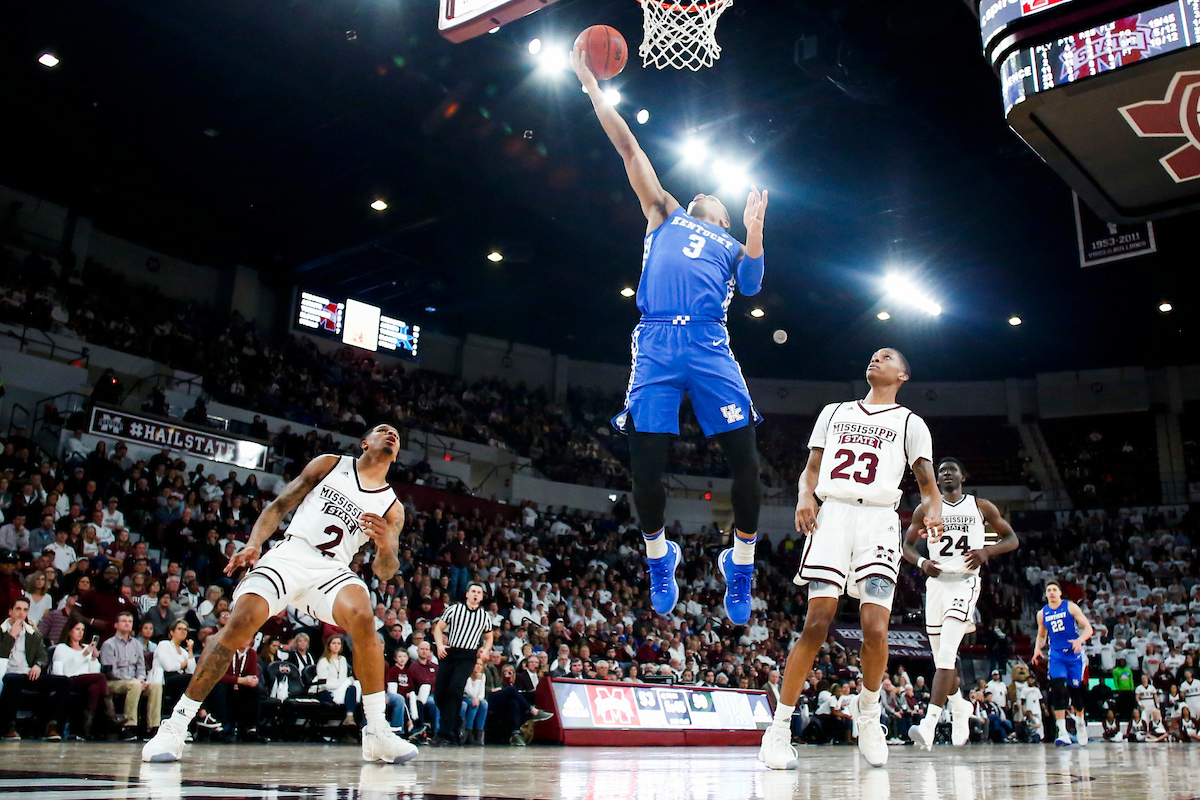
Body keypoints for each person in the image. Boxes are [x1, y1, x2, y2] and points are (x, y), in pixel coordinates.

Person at [569, 48, 769, 626]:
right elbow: (628, 146)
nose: (708, 191)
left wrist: (755, 232)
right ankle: (660, 557)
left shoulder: (733, 246)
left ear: (726, 220)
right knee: (646, 470)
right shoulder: (664, 212)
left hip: (709, 345)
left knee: (747, 467)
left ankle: (743, 562)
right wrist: (589, 83)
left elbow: (752, 286)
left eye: (721, 201)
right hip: (655, 344)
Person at [142, 424, 416, 763]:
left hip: (332, 569)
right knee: (240, 623)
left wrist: (383, 545)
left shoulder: (392, 507)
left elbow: (385, 571)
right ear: (364, 443)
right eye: (383, 430)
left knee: (364, 619)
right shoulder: (330, 464)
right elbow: (279, 505)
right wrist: (253, 544)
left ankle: (376, 731)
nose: (391, 434)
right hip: (291, 553)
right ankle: (175, 726)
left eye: (397, 435)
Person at [759, 348, 942, 770]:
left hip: (879, 520)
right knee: (816, 622)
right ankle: (780, 729)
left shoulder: (911, 422)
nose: (876, 359)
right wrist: (806, 495)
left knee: (876, 628)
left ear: (903, 376)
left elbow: (928, 486)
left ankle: (871, 714)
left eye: (887, 357)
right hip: (835, 514)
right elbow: (812, 468)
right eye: (873, 356)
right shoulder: (834, 411)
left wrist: (932, 510)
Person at [903, 457, 1019, 750]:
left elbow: (1012, 539)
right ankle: (959, 706)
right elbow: (905, 546)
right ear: (937, 479)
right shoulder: (926, 508)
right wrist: (921, 561)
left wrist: (987, 552)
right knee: (942, 660)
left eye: (952, 470)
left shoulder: (981, 506)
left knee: (945, 658)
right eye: (941, 472)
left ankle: (928, 725)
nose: (946, 475)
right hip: (936, 586)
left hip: (965, 582)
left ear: (962, 476)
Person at [431, 582, 495, 745]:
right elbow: (438, 628)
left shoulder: (484, 616)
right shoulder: (454, 610)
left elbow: (489, 637)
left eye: (478, 592)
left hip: (468, 655)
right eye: (473, 591)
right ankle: (457, 722)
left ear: (481, 597)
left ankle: (444, 734)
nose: (475, 594)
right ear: (467, 594)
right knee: (439, 694)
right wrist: (439, 645)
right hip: (450, 652)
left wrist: (485, 650)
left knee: (455, 689)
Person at [1033, 578, 1094, 746]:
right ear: (1046, 594)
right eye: (1049, 590)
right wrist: (1037, 649)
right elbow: (1041, 635)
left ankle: (1081, 724)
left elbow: (1088, 628)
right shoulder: (1042, 613)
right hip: (1057, 655)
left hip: (1074, 655)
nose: (1051, 592)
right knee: (1059, 689)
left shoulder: (1070, 607)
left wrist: (1079, 640)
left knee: (1075, 692)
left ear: (1060, 593)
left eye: (1054, 589)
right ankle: (1062, 732)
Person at [0, 597, 72, 740]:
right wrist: (11, 636)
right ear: (10, 612)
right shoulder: (1, 632)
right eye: (18, 609)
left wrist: (37, 666)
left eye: (25, 610)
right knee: (14, 680)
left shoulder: (33, 633)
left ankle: (52, 725)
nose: (21, 613)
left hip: (27, 673)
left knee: (64, 682)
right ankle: (9, 727)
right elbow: (1, 654)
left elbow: (42, 655)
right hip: (7, 673)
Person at [100, 610, 165, 740]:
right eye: (124, 621)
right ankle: (129, 726)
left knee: (156, 686)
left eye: (130, 621)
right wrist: (133, 680)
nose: (127, 624)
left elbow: (141, 666)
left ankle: (153, 727)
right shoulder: (109, 644)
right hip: (115, 682)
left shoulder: (136, 644)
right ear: (116, 625)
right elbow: (110, 671)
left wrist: (141, 679)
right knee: (134, 685)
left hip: (134, 681)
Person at [51, 620, 113, 738]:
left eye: (82, 630)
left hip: (86, 680)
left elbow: (94, 672)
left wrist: (94, 659)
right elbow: (62, 671)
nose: (80, 632)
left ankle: (84, 729)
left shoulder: (86, 647)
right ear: (69, 631)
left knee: (95, 688)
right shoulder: (61, 648)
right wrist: (84, 656)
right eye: (77, 629)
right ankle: (110, 714)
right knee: (101, 677)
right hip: (69, 680)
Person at [316, 634, 358, 730]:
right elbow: (324, 683)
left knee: (352, 688)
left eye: (338, 643)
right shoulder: (323, 661)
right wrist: (343, 683)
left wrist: (344, 683)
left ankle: (349, 717)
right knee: (347, 684)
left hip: (341, 690)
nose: (336, 646)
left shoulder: (343, 660)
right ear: (329, 645)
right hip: (326, 690)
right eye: (334, 643)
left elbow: (343, 677)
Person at [461, 660, 488, 744]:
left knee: (484, 704)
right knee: (473, 704)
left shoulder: (482, 676)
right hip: (464, 697)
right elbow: (471, 692)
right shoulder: (467, 675)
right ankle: (468, 731)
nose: (478, 666)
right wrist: (477, 681)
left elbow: (482, 693)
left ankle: (479, 733)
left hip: (474, 698)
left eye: (480, 665)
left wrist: (478, 698)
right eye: (477, 664)